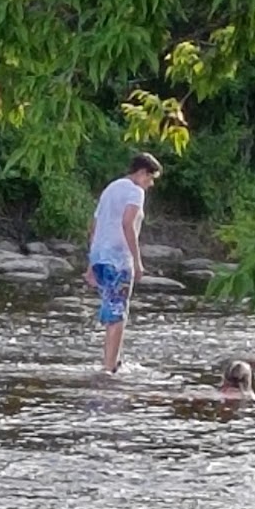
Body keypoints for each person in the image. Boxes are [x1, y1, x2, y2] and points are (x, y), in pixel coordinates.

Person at [84, 152, 162, 373]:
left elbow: (94, 226)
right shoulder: (135, 191)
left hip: (100, 257)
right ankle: (110, 366)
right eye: (151, 178)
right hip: (118, 259)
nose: (151, 184)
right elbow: (128, 224)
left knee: (111, 309)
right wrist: (137, 261)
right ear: (142, 172)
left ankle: (110, 361)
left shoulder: (111, 188)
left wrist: (91, 263)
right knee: (118, 313)